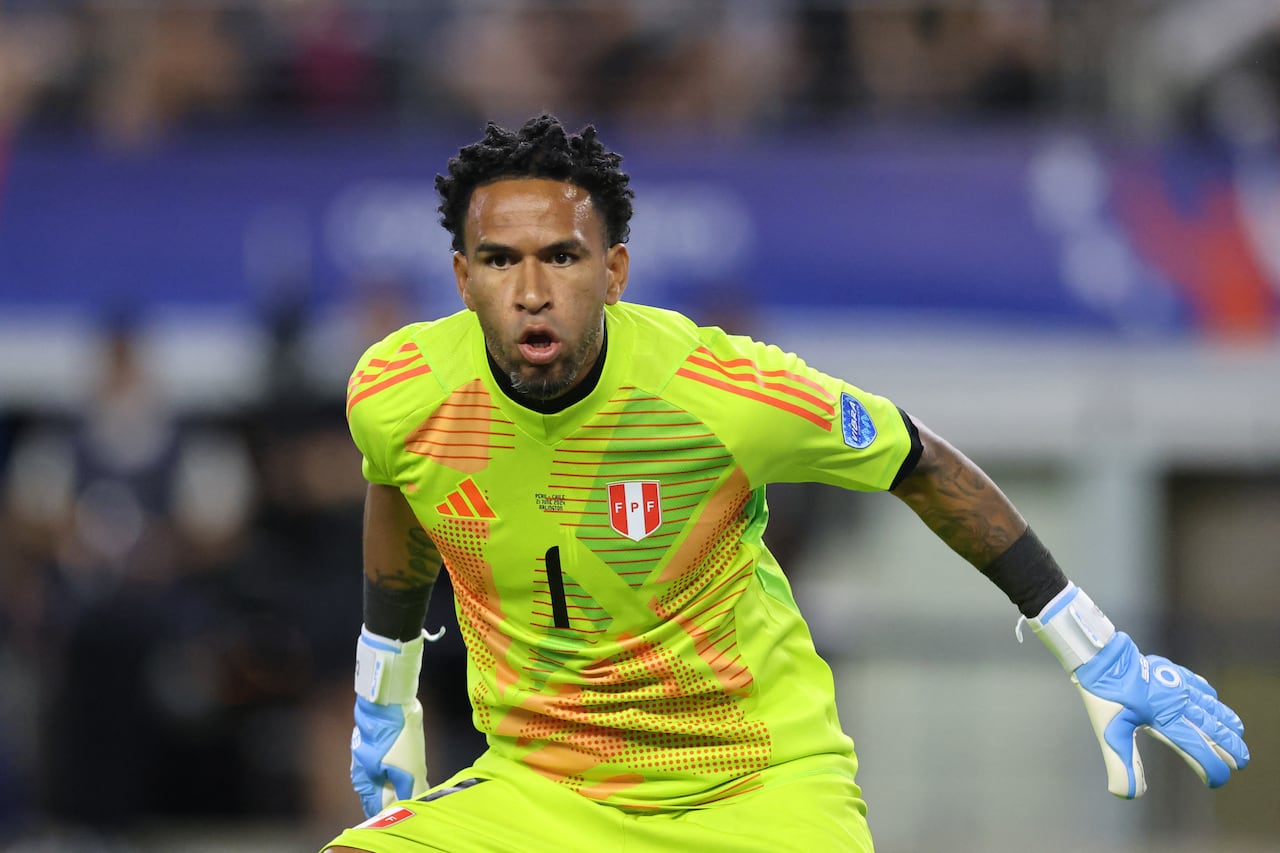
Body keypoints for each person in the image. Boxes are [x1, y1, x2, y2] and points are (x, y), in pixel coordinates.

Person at [322, 115, 1249, 853]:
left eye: (562, 257)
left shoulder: (721, 393)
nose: (531, 290)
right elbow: (400, 489)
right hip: (544, 790)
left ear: (614, 272)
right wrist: (385, 692)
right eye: (499, 261)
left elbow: (918, 459)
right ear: (461, 276)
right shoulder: (399, 392)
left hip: (757, 791)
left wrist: (1091, 645)